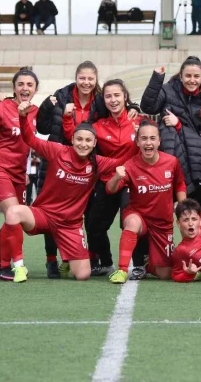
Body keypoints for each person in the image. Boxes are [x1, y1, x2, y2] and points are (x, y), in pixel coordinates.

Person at [0, 105, 127, 283]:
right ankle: (19, 267)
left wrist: (137, 135)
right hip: (44, 215)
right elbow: (29, 138)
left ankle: (67, 258)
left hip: (70, 225)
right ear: (72, 139)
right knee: (13, 212)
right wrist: (22, 117)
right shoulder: (58, 151)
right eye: (79, 139)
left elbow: (126, 160)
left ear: (94, 143)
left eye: (88, 141)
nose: (83, 144)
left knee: (83, 275)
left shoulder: (98, 163)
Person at [62, 79, 142, 277]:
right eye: (108, 96)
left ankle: (140, 263)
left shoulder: (139, 122)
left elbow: (156, 140)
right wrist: (66, 117)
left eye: (117, 95)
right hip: (107, 182)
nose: (113, 100)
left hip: (131, 183)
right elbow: (77, 137)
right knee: (94, 226)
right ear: (103, 100)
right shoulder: (97, 126)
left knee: (131, 222)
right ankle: (106, 262)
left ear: (125, 97)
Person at [0, 68, 39, 281]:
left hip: (19, 173)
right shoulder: (3, 107)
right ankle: (5, 267)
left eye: (30, 85)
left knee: (14, 219)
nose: (25, 88)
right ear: (14, 87)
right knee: (13, 212)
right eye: (21, 84)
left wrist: (28, 171)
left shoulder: (35, 111)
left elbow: (28, 143)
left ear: (35, 89)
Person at [106, 121, 187, 284]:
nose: (148, 142)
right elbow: (110, 189)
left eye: (152, 138)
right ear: (137, 142)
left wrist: (183, 207)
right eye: (143, 138)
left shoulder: (171, 162)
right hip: (140, 216)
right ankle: (122, 270)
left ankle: (149, 264)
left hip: (162, 223)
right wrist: (116, 177)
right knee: (132, 222)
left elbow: (179, 184)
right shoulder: (130, 165)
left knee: (165, 274)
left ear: (159, 141)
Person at [140, 56, 201, 209]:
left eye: (196, 76)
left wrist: (179, 124)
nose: (192, 80)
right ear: (180, 76)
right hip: (174, 159)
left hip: (199, 164)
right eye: (188, 75)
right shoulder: (168, 90)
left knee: (197, 214)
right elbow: (148, 107)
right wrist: (156, 79)